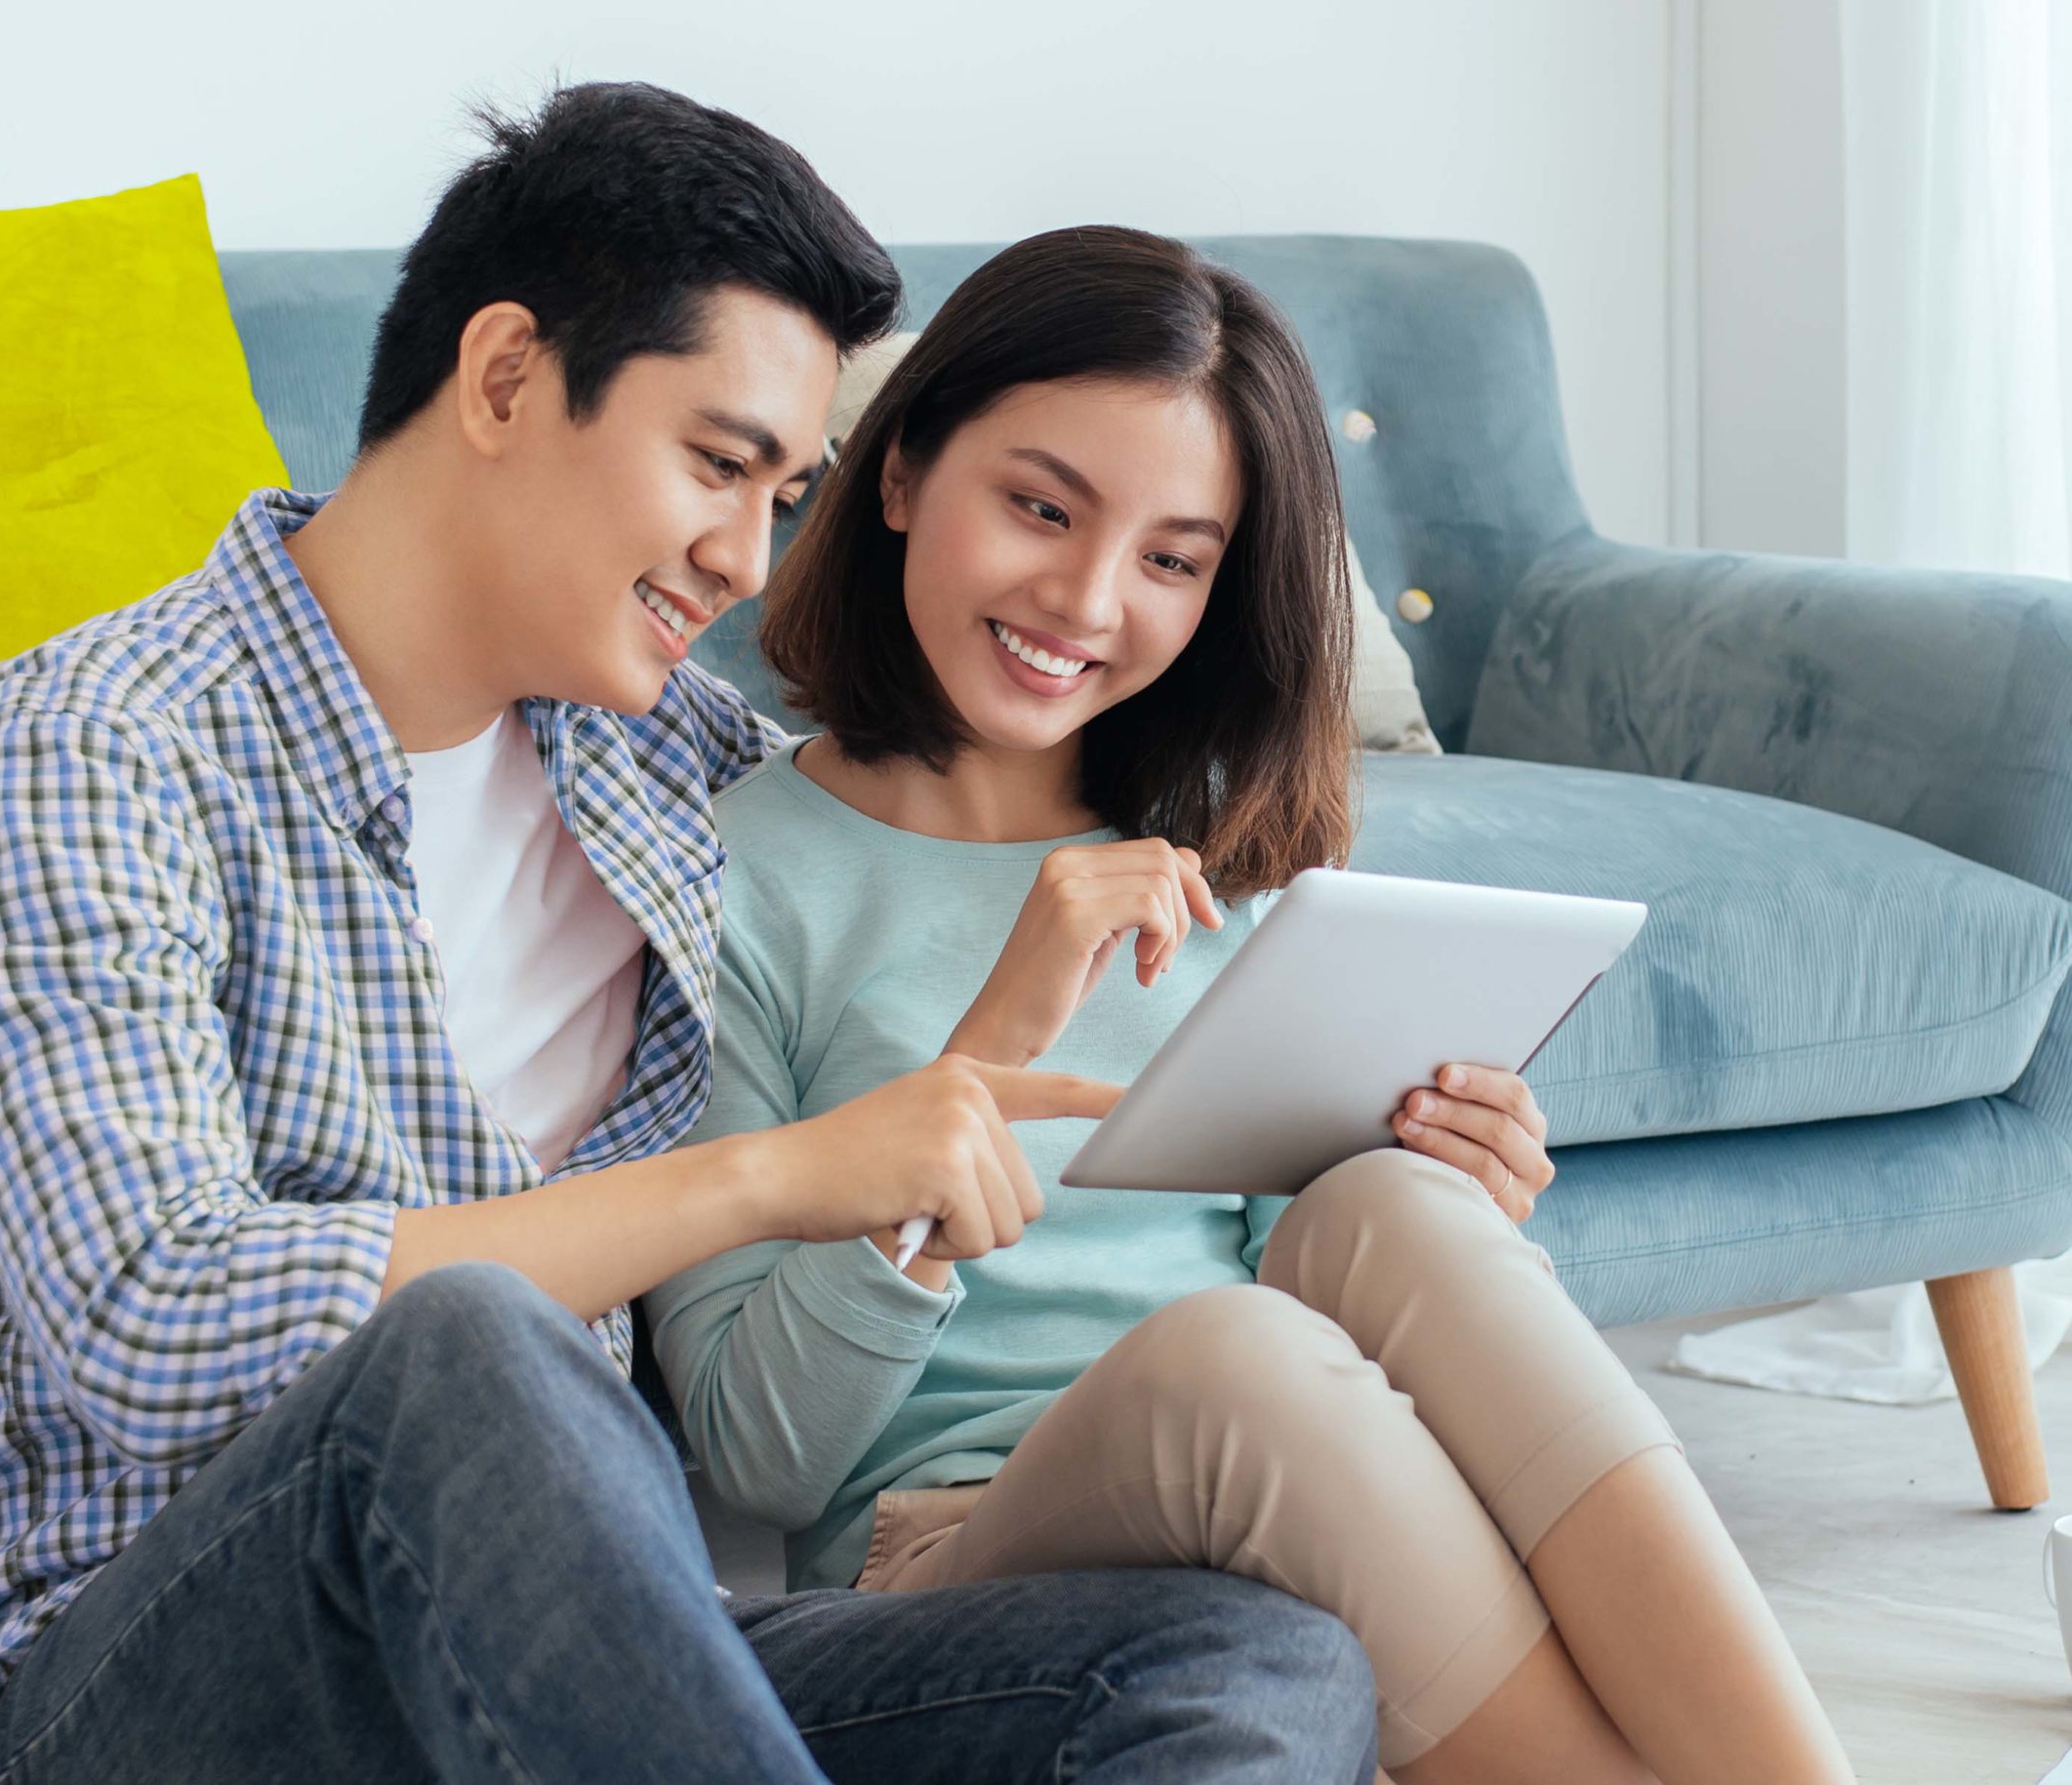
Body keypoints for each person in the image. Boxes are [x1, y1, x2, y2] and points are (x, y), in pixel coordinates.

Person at [0, 86, 1381, 1785]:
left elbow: (940, 841)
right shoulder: (96, 744)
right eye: (718, 465)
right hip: (149, 1680)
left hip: (586, 1638)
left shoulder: (667, 767)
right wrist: (775, 1175)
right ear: (505, 375)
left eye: (788, 489)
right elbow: (152, 1311)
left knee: (1241, 1657)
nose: (742, 557)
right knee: (468, 1342)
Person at [646, 224, 1857, 1785]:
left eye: (1171, 557)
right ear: (899, 475)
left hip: (1276, 1513)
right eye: (1039, 505)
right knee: (1234, 1358)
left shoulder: (1231, 876)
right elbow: (757, 1449)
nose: (1085, 595)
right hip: (937, 1561)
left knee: (1392, 1220)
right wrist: (990, 1045)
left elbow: (1346, 1321)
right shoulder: (724, 876)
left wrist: (1453, 1173)